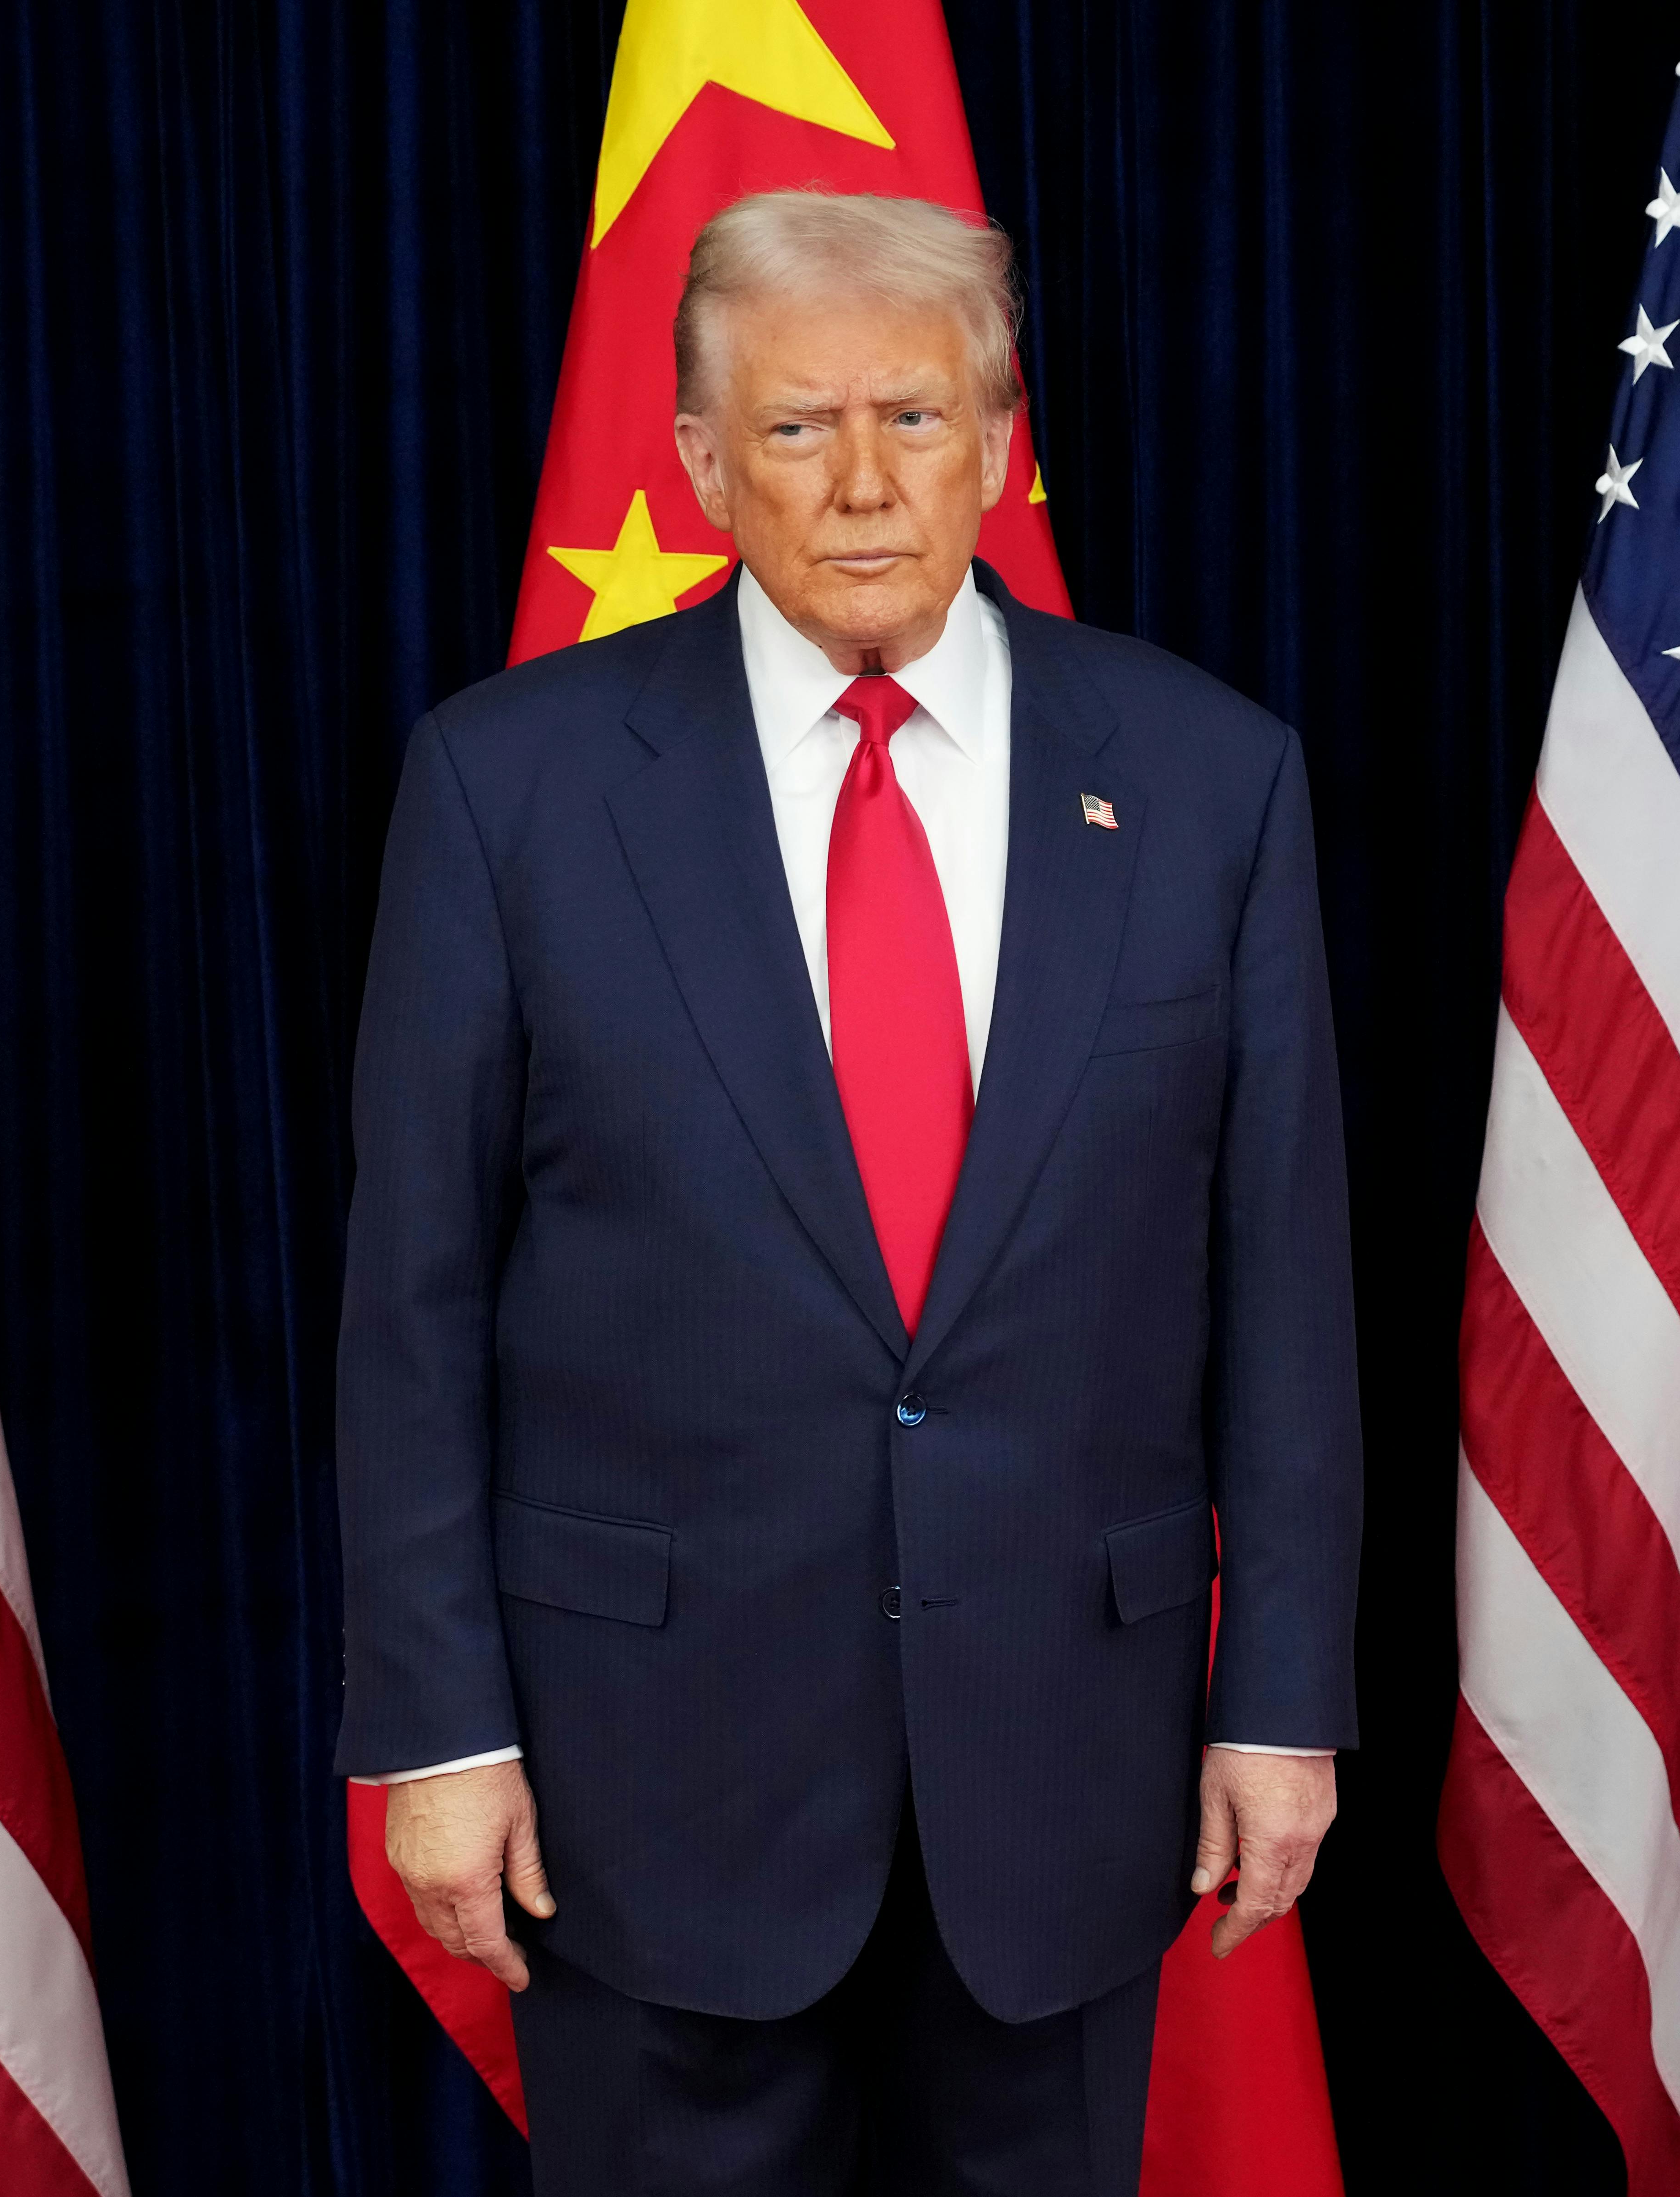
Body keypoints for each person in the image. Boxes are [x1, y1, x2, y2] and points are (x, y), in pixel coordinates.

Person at [333, 188, 1364, 2196]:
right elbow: (415, 1298)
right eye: (799, 429)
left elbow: (1283, 1283)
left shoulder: (1207, 778)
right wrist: (438, 1731)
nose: (867, 481)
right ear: (707, 465)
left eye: (915, 415)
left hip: (1072, 1771)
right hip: (648, 1782)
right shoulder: (507, 788)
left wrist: (1287, 1700)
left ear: (999, 442)